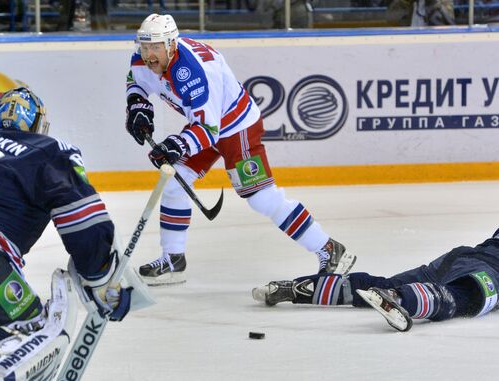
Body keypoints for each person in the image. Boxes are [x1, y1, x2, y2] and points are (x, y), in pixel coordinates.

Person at [125, 13, 356, 286]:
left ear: (171, 45)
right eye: (145, 46)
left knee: (261, 197)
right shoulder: (141, 59)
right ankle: (173, 258)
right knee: (175, 181)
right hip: (205, 124)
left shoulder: (192, 72)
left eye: (156, 47)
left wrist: (176, 145)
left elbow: (208, 129)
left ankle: (329, 248)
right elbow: (136, 82)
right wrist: (138, 108)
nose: (149, 55)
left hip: (236, 128)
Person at [0, 87, 132, 379]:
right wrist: (101, 275)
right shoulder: (46, 148)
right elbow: (83, 218)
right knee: (32, 328)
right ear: (38, 127)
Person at [253, 228, 499, 332]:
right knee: (463, 299)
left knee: (382, 283)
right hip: (489, 269)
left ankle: (298, 289)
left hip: (458, 257)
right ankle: (398, 299)